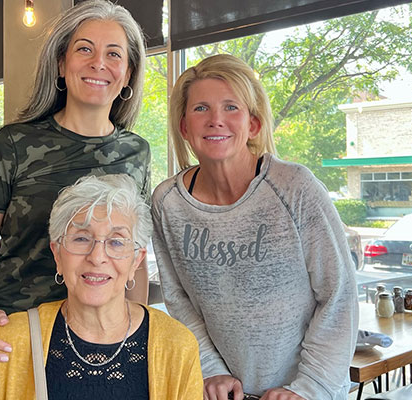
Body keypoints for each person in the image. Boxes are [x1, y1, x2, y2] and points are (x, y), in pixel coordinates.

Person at [0, 0, 151, 390]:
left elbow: (133, 259)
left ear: (128, 74)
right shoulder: (13, 143)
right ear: (61, 63)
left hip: (97, 342)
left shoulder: (136, 152)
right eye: (84, 49)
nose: (98, 63)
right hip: (5, 333)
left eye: (114, 54)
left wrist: (134, 328)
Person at [151, 54, 358, 400]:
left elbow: (338, 295)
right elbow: (178, 298)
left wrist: (310, 389)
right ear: (184, 127)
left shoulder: (295, 188)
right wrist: (211, 369)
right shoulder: (167, 203)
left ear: (254, 125)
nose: (216, 120)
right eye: (201, 108)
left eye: (231, 107)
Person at [0, 174, 202, 399]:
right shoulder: (7, 341)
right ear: (57, 254)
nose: (97, 257)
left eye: (116, 241)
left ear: (136, 260)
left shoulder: (177, 345)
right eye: (81, 238)